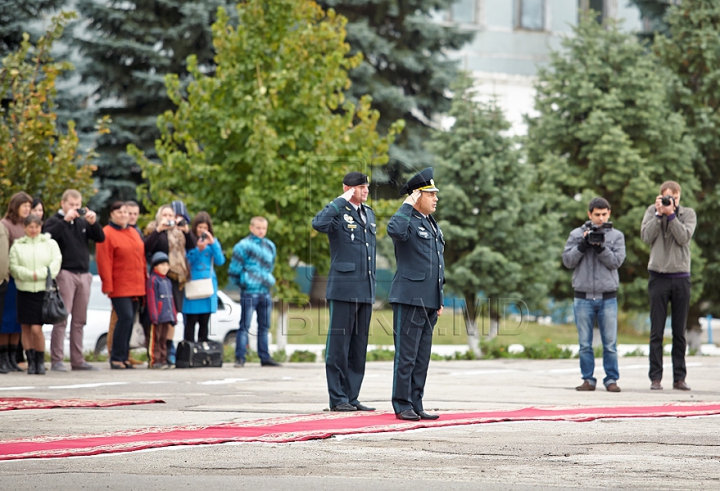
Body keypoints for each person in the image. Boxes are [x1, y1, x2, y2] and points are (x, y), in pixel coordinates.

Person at [312, 172, 377, 412]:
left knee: (359, 346)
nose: (365, 190)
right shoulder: (338, 211)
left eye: (366, 186)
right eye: (360, 187)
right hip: (343, 288)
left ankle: (351, 396)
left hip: (365, 288)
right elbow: (318, 224)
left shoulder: (368, 213)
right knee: (339, 346)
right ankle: (337, 397)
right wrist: (340, 200)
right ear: (347, 188)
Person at [387, 168, 445, 421]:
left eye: (435, 194)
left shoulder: (431, 224)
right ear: (417, 195)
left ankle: (416, 402)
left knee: (421, 357)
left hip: (429, 300)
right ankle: (402, 404)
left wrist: (439, 299)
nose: (435, 198)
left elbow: (438, 265)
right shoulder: (407, 220)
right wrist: (407, 203)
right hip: (409, 297)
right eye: (430, 194)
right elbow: (395, 231)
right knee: (407, 355)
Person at [562, 198, 626, 393]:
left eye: (604, 214)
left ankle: (611, 379)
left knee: (610, 343)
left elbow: (616, 261)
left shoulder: (616, 236)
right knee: (584, 344)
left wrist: (600, 248)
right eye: (596, 214)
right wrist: (582, 245)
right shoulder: (576, 234)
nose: (600, 218)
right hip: (582, 297)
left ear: (609, 213)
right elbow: (567, 261)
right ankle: (588, 379)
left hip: (607, 297)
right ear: (589, 214)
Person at [641, 181, 696, 391]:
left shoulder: (688, 214)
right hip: (658, 277)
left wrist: (671, 215)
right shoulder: (651, 212)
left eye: (673, 198)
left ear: (679, 197)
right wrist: (658, 215)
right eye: (665, 197)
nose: (669, 201)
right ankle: (655, 378)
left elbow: (684, 238)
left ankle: (679, 378)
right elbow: (646, 237)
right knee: (656, 330)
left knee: (679, 331)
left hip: (681, 276)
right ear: (659, 196)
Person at [43, 189, 105, 371]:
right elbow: (49, 236)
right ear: (63, 204)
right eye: (71, 205)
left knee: (79, 319)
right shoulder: (56, 221)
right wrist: (65, 220)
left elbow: (100, 238)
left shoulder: (81, 223)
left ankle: (78, 360)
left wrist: (93, 223)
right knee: (62, 318)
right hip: (66, 274)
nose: (75, 209)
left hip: (83, 274)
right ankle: (57, 359)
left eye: (78, 206)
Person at [8, 215, 62, 375]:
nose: (33, 230)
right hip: (24, 290)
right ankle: (31, 360)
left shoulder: (49, 243)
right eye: (30, 227)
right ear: (24, 228)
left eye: (36, 227)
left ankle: (40, 360)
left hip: (41, 291)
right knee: (25, 327)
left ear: (41, 227)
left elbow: (56, 262)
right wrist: (28, 275)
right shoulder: (18, 246)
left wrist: (40, 274)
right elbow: (14, 266)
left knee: (37, 328)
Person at [96, 202, 147, 370]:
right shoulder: (107, 233)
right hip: (119, 284)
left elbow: (141, 258)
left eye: (126, 212)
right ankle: (116, 356)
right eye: (120, 212)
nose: (124, 215)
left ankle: (125, 356)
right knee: (124, 317)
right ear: (112, 214)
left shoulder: (133, 231)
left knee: (130, 320)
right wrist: (107, 285)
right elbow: (104, 261)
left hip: (136, 284)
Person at [144, 204, 196, 363]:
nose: (168, 218)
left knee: (172, 316)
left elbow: (192, 246)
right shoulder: (154, 229)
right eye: (165, 214)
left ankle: (168, 350)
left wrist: (187, 232)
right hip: (159, 277)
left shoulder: (178, 232)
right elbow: (146, 248)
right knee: (159, 316)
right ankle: (157, 352)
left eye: (170, 215)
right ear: (159, 216)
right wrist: (159, 230)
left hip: (176, 278)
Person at [229, 216, 280, 367]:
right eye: (258, 228)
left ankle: (265, 357)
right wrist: (244, 283)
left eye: (264, 228)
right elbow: (234, 271)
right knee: (244, 325)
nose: (261, 231)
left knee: (264, 326)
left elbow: (270, 267)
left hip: (265, 291)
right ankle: (240, 358)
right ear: (251, 228)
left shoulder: (270, 246)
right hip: (249, 292)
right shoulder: (242, 246)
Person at [0, 192, 33, 373]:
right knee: (6, 320)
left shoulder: (28, 225)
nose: (27, 209)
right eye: (24, 206)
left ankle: (13, 357)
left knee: (17, 321)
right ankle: (3, 356)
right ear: (15, 206)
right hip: (10, 279)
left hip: (24, 280)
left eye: (29, 206)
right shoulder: (6, 225)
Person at [183, 212, 225, 343]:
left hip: (208, 285)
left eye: (205, 227)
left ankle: (202, 349)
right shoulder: (190, 241)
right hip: (193, 285)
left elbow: (220, 261)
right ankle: (189, 349)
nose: (202, 230)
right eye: (200, 227)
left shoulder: (213, 243)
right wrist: (198, 249)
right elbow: (187, 261)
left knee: (205, 321)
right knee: (191, 320)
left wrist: (213, 244)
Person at [146, 252, 177, 368]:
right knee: (156, 339)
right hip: (157, 316)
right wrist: (154, 315)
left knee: (164, 339)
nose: (165, 268)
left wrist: (173, 316)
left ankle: (163, 359)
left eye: (166, 265)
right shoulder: (153, 280)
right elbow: (151, 299)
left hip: (167, 316)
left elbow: (171, 301)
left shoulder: (168, 281)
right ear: (155, 266)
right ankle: (155, 360)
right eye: (162, 265)